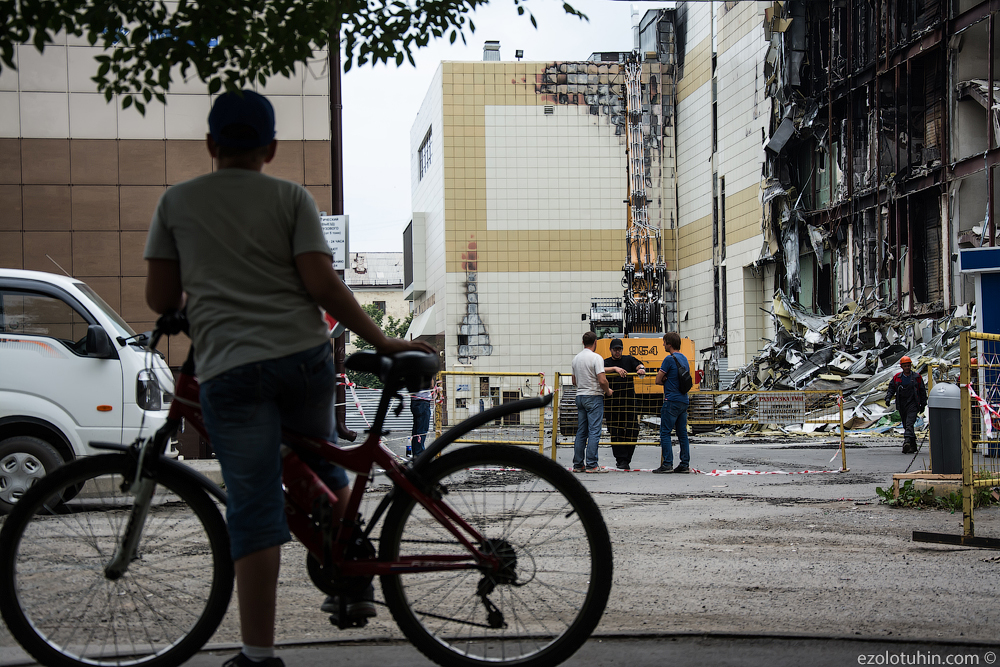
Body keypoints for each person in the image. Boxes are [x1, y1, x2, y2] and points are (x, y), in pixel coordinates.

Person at [143, 90, 434, 667]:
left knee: (253, 506)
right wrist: (382, 339)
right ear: (270, 148)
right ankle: (352, 571)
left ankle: (259, 655)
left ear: (211, 144)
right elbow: (323, 286)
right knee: (323, 461)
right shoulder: (291, 198)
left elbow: (159, 297)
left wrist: (192, 298)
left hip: (231, 366)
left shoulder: (177, 202)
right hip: (305, 360)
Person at [571, 331, 612, 473]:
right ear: (595, 342)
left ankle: (578, 464)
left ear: (583, 343)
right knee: (594, 431)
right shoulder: (597, 358)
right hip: (594, 397)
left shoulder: (576, 359)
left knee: (581, 432)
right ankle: (592, 464)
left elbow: (574, 381)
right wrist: (608, 391)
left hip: (580, 396)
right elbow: (602, 380)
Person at [603, 338, 645, 470]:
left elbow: (639, 365)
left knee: (633, 429)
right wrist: (615, 368)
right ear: (611, 350)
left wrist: (641, 369)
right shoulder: (606, 362)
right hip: (612, 403)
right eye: (615, 349)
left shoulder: (628, 359)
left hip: (629, 402)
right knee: (615, 431)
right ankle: (621, 459)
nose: (617, 352)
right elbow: (600, 370)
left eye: (619, 349)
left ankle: (627, 458)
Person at [653, 332, 691, 474]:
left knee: (665, 432)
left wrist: (665, 379)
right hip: (683, 400)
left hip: (671, 400)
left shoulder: (669, 359)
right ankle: (684, 463)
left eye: (664, 342)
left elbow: (657, 380)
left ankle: (667, 463)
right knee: (682, 434)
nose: (663, 345)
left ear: (669, 344)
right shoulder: (684, 359)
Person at [885, 355, 927, 454]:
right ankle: (913, 446)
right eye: (905, 366)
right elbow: (891, 389)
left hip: (913, 403)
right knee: (906, 425)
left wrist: (923, 404)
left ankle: (906, 442)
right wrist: (888, 398)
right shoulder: (897, 378)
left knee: (909, 423)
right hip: (902, 404)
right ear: (902, 367)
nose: (907, 368)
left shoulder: (917, 377)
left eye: (909, 366)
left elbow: (922, 391)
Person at [409, 382, 436, 457]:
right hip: (423, 402)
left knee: (416, 429)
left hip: (414, 401)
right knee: (422, 429)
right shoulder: (425, 371)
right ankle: (419, 454)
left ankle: (416, 453)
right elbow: (431, 385)